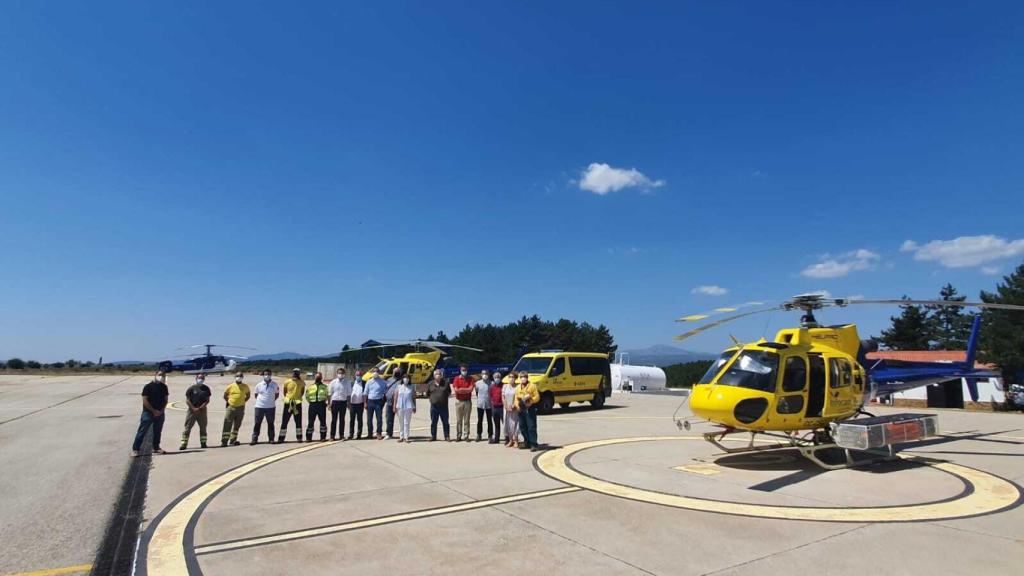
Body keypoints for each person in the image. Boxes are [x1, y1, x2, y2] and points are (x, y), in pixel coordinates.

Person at [132, 370, 169, 456]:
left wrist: (162, 410)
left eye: (163, 375)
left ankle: (156, 447)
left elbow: (166, 399)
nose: (161, 376)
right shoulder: (148, 387)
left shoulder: (164, 387)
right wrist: (153, 411)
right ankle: (136, 449)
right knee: (142, 431)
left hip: (160, 413)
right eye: (160, 375)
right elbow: (145, 401)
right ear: (155, 375)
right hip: (148, 413)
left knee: (157, 431)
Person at [180, 372, 212, 450]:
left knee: (203, 427)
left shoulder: (206, 389)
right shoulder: (191, 388)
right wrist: (193, 408)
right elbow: (187, 400)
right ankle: (184, 443)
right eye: (199, 378)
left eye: (202, 378)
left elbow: (207, 400)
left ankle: (203, 443)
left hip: (202, 410)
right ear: (196, 378)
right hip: (192, 411)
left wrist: (200, 408)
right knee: (187, 427)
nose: (200, 379)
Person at [221, 371, 250, 447]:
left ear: (242, 377)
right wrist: (230, 402)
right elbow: (225, 395)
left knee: (237, 425)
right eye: (237, 376)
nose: (239, 377)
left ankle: (233, 439)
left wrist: (243, 401)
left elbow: (248, 395)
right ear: (235, 377)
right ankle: (224, 441)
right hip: (231, 407)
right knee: (227, 424)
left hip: (240, 408)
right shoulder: (230, 386)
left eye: (240, 376)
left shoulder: (245, 386)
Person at [277, 368, 306, 443]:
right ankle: (281, 438)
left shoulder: (302, 382)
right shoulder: (287, 381)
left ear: (299, 373)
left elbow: (302, 392)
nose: (295, 374)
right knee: (285, 421)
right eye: (294, 373)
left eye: (297, 373)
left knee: (298, 421)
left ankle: (299, 437)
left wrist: (297, 398)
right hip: (288, 403)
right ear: (292, 373)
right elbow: (285, 391)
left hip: (297, 403)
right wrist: (289, 398)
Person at [251, 369, 279, 445]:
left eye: (268, 374)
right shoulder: (259, 385)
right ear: (263, 375)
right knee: (257, 423)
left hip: (271, 407)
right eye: (265, 374)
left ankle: (271, 439)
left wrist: (270, 401)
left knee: (270, 423)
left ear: (271, 375)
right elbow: (256, 395)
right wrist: (262, 402)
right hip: (259, 407)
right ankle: (254, 439)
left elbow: (277, 395)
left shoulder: (275, 384)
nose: (267, 376)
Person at [515, 372, 541, 451]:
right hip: (521, 409)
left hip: (530, 408)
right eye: (521, 377)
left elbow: (537, 396)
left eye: (524, 377)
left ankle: (534, 444)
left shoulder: (532, 386)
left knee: (531, 427)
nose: (523, 378)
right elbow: (516, 398)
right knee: (522, 427)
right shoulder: (518, 387)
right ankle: (527, 442)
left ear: (527, 377)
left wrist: (531, 401)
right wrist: (517, 406)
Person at [451, 364, 475, 441]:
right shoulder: (456, 378)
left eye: (465, 370)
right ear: (460, 370)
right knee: (459, 420)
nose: (464, 371)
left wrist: (461, 389)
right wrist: (465, 390)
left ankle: (466, 435)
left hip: (468, 401)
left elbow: (470, 389)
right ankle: (459, 435)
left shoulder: (470, 379)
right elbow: (456, 390)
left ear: (467, 370)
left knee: (467, 420)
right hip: (459, 401)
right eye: (462, 370)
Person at [426, 369, 451, 441]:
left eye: (439, 374)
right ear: (434, 376)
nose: (438, 375)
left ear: (441, 375)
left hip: (444, 407)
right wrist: (432, 400)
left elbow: (449, 393)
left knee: (445, 422)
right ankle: (433, 436)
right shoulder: (430, 384)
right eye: (436, 374)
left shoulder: (446, 383)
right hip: (434, 407)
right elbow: (427, 394)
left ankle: (447, 436)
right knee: (433, 422)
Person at [304, 372, 329, 442]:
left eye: (319, 377)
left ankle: (323, 437)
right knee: (311, 422)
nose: (318, 378)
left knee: (323, 422)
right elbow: (307, 396)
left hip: (321, 405)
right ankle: (308, 438)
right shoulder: (310, 387)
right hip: (313, 405)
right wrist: (311, 402)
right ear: (315, 378)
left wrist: (325, 402)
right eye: (317, 377)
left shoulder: (325, 387)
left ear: (321, 378)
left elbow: (327, 396)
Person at [364, 368, 388, 440]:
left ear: (379, 372)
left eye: (377, 371)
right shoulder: (369, 382)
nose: (375, 373)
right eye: (374, 371)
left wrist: (383, 402)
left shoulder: (383, 382)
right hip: (370, 401)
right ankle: (370, 433)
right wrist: (365, 403)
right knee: (369, 419)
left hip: (378, 402)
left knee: (379, 419)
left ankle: (379, 433)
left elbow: (385, 393)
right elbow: (365, 393)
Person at [328, 368, 351, 441]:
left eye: (342, 373)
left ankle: (341, 435)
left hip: (343, 402)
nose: (340, 374)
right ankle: (332, 436)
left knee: (342, 420)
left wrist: (348, 403)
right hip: (335, 402)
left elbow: (349, 394)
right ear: (337, 374)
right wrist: (329, 403)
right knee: (334, 420)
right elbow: (329, 393)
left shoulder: (347, 382)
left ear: (344, 374)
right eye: (339, 373)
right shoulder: (333, 382)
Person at [394, 374, 417, 442]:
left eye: (407, 378)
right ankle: (401, 437)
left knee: (407, 422)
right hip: (400, 406)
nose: (406, 379)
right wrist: (394, 406)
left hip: (409, 406)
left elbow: (413, 397)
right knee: (401, 422)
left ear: (409, 379)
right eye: (404, 378)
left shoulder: (412, 386)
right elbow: (395, 396)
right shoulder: (399, 386)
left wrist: (415, 406)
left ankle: (406, 437)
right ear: (402, 379)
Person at [474, 369, 493, 442]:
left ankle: (490, 435)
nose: (484, 375)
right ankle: (479, 435)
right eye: (483, 374)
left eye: (486, 374)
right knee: (480, 420)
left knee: (489, 420)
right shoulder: (477, 383)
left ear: (488, 375)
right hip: (480, 404)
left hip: (489, 404)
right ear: (481, 375)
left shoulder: (492, 383)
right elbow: (476, 392)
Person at [502, 372, 520, 448]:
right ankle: (510, 440)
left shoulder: (518, 387)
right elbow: (503, 397)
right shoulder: (505, 386)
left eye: (512, 377)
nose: (511, 378)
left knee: (515, 424)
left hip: (515, 408)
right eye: (510, 377)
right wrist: (506, 406)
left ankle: (516, 441)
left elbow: (519, 398)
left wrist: (514, 405)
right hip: (506, 408)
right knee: (508, 424)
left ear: (515, 378)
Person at [384, 369, 402, 440]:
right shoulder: (389, 380)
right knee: (389, 419)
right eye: (395, 372)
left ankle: (403, 434)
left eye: (398, 372)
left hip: (399, 403)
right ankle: (389, 433)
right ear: (393, 372)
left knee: (401, 419)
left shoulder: (401, 381)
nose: (397, 373)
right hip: (389, 402)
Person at [348, 371, 366, 439]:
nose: (359, 376)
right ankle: (351, 434)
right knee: (352, 420)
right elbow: (349, 394)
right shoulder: (351, 383)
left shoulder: (364, 383)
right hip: (352, 404)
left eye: (360, 375)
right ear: (355, 376)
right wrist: (348, 403)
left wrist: (365, 403)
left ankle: (359, 434)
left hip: (360, 404)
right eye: (357, 375)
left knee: (359, 420)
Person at [488, 370, 504, 444]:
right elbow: (490, 396)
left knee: (505, 424)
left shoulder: (503, 386)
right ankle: (496, 439)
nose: (497, 378)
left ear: (500, 378)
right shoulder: (491, 387)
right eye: (495, 377)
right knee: (496, 424)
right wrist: (492, 403)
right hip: (494, 408)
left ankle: (508, 438)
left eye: (498, 377)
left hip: (502, 407)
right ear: (493, 378)